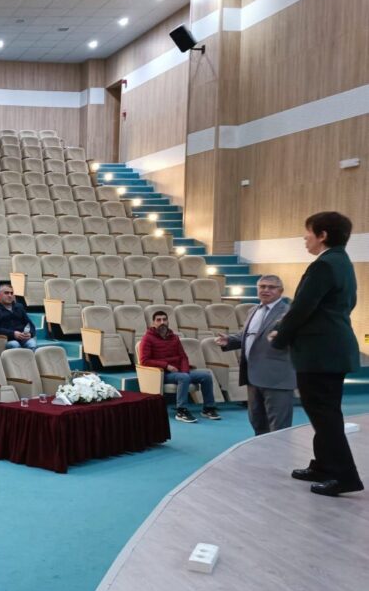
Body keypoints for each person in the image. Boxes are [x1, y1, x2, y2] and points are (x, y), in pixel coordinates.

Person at [272, 212, 363, 496]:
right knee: (323, 412)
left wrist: (280, 337)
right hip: (332, 349)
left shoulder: (324, 265)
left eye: (308, 231)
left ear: (323, 235)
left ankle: (345, 476)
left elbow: (303, 307)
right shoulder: (341, 262)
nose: (305, 237)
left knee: (325, 415)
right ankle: (323, 465)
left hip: (320, 353)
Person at [214, 276, 295, 436]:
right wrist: (230, 340)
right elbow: (249, 336)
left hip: (277, 379)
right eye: (262, 286)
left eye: (271, 287)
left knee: (279, 428)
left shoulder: (289, 313)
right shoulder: (253, 310)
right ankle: (262, 452)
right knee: (258, 423)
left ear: (280, 291)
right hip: (253, 377)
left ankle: (279, 453)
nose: (265, 290)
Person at [139, 310, 219, 423]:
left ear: (168, 321)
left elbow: (183, 357)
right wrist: (166, 366)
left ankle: (208, 408)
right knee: (184, 377)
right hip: (161, 374)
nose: (162, 322)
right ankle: (181, 411)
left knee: (206, 376)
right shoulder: (147, 338)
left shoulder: (174, 338)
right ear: (153, 323)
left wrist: (185, 371)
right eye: (158, 320)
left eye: (164, 319)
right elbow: (144, 361)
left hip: (179, 372)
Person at [0, 284, 37, 348]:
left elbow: (30, 324)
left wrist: (30, 334)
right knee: (15, 344)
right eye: (6, 293)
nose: (10, 295)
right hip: (6, 339)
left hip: (22, 338)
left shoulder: (19, 306)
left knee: (32, 344)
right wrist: (13, 333)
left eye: (11, 293)